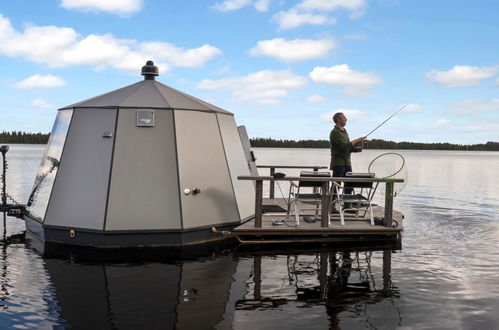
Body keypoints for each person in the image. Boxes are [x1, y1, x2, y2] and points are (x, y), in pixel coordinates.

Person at [329, 112, 365, 177]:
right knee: (336, 185)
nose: (346, 119)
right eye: (344, 118)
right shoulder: (335, 132)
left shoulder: (345, 132)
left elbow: (347, 148)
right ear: (338, 120)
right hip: (338, 163)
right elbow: (343, 146)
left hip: (347, 163)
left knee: (350, 184)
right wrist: (357, 140)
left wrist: (356, 149)